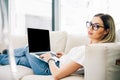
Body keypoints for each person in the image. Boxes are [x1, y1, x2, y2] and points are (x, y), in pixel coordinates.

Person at [0, 13, 116, 80]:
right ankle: (3, 56)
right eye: (90, 24)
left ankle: (5, 52)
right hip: (57, 62)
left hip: (49, 69)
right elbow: (78, 62)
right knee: (24, 60)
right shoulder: (95, 49)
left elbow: (57, 75)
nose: (90, 28)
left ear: (106, 30)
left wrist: (50, 58)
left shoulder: (89, 51)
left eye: (96, 26)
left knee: (29, 47)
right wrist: (64, 56)